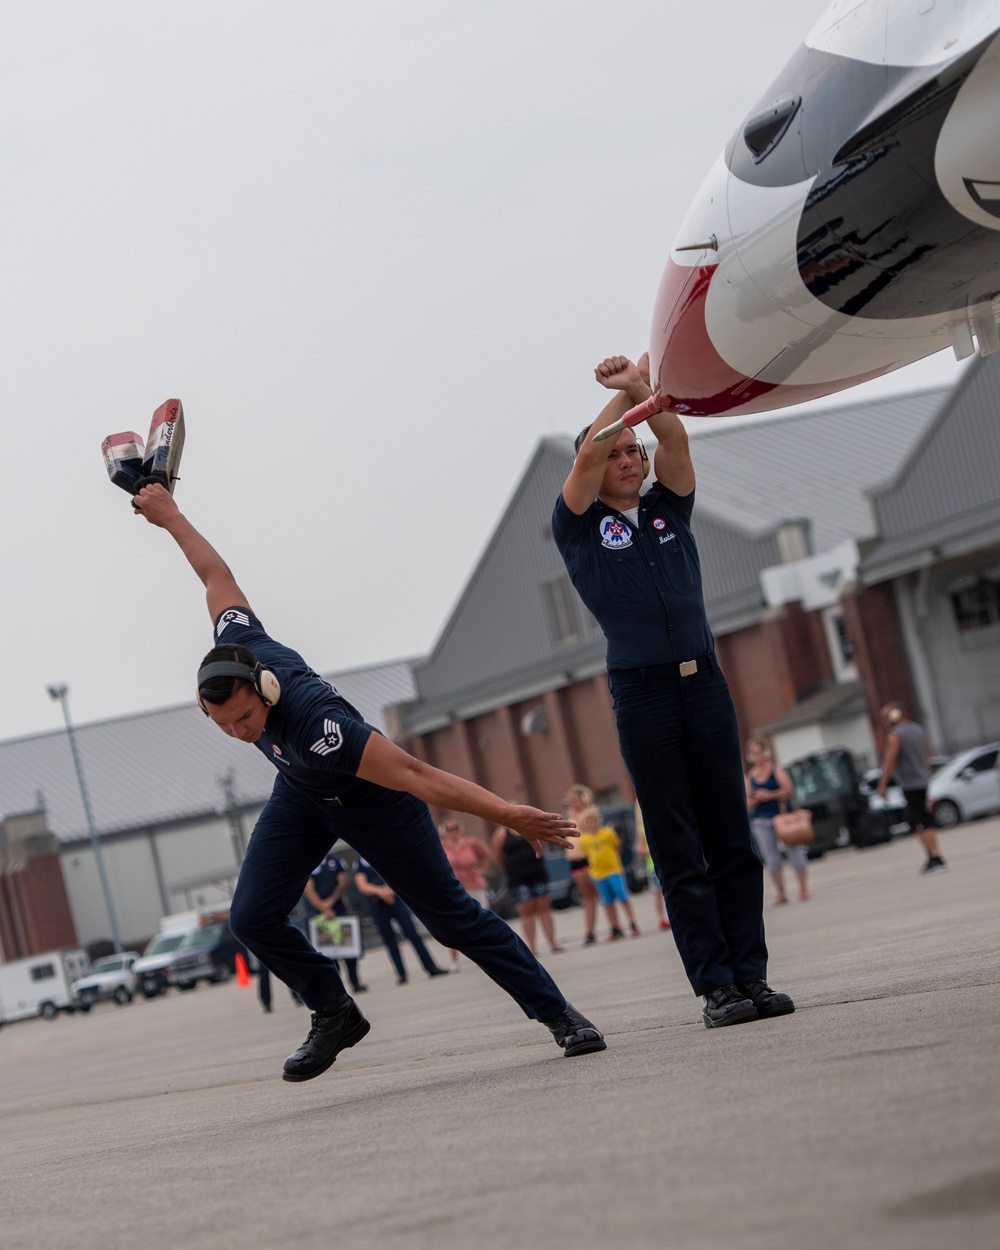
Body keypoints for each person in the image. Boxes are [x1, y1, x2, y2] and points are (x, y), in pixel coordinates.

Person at [131, 482, 606, 1080]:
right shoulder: (238, 643)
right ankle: (334, 1012)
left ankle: (559, 1014)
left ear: (265, 688)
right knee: (251, 917)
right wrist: (170, 515)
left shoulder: (318, 724)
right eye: (223, 725)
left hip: (375, 803)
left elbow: (416, 774)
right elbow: (212, 573)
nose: (239, 732)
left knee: (452, 921)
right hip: (302, 797)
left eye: (247, 718)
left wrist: (508, 814)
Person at [552, 354, 793, 1029]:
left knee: (733, 840)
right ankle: (716, 988)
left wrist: (649, 396)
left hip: (704, 686)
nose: (631, 458)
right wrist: (627, 397)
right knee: (679, 847)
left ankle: (753, 975)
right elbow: (586, 461)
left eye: (637, 449)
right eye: (619, 450)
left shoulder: (668, 509)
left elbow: (678, 443)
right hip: (644, 697)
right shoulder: (579, 527)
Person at [353, 856, 449, 982]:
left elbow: (400, 873)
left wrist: (390, 890)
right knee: (390, 940)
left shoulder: (385, 852)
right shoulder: (360, 862)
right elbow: (362, 885)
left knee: (413, 934)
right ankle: (401, 973)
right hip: (377, 904)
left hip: (396, 899)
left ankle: (430, 966)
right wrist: (381, 892)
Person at [877, 703, 947, 874]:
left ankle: (936, 857)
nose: (884, 722)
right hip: (921, 781)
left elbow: (890, 760)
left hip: (910, 784)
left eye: (885, 717)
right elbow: (927, 754)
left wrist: (883, 784)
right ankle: (931, 856)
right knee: (916, 821)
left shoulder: (895, 735)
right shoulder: (917, 729)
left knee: (922, 820)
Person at [745, 739, 810, 906]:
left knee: (794, 850)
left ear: (765, 752)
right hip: (762, 820)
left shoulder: (776, 769)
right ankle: (781, 892)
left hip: (782, 817)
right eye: (753, 753)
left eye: (759, 752)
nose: (757, 756)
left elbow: (788, 790)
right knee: (771, 858)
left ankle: (803, 887)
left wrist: (769, 795)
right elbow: (747, 802)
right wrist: (757, 799)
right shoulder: (750, 776)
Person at [491, 827, 563, 956]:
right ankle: (532, 947)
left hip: (537, 874)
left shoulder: (530, 828)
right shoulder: (502, 834)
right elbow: (497, 857)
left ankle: (553, 943)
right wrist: (509, 869)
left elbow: (543, 845)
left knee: (544, 907)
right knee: (526, 910)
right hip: (518, 878)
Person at [303, 850, 368, 993]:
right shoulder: (308, 863)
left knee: (348, 952)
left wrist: (330, 902)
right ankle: (336, 988)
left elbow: (343, 882)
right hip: (319, 917)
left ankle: (355, 982)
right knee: (328, 955)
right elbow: (309, 889)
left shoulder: (335, 860)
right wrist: (323, 907)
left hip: (339, 911)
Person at [577, 806, 641, 940]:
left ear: (598, 820)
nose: (592, 823)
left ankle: (632, 924)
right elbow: (587, 856)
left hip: (613, 870)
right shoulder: (585, 839)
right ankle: (615, 927)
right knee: (607, 902)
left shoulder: (608, 833)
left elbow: (617, 848)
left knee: (622, 897)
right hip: (598, 874)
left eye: (594, 819)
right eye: (589, 820)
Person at [438, 818, 492, 971]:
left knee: (481, 920)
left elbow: (486, 853)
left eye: (455, 828)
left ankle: (486, 953)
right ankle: (455, 960)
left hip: (475, 884)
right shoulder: (441, 846)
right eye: (449, 829)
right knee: (453, 924)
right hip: (455, 887)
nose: (453, 831)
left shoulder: (470, 842)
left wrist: (482, 869)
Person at [562, 784, 600, 945]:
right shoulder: (570, 816)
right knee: (587, 897)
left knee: (598, 893)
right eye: (569, 801)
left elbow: (588, 830)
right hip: (574, 858)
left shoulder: (588, 813)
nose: (571, 804)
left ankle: (616, 924)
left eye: (574, 800)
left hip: (588, 856)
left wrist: (576, 816)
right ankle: (590, 931)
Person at [634, 803, 669, 931]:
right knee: (657, 893)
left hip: (663, 863)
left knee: (668, 890)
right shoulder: (641, 828)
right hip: (651, 866)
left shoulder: (658, 823)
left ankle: (669, 916)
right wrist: (650, 850)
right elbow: (639, 848)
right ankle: (661, 918)